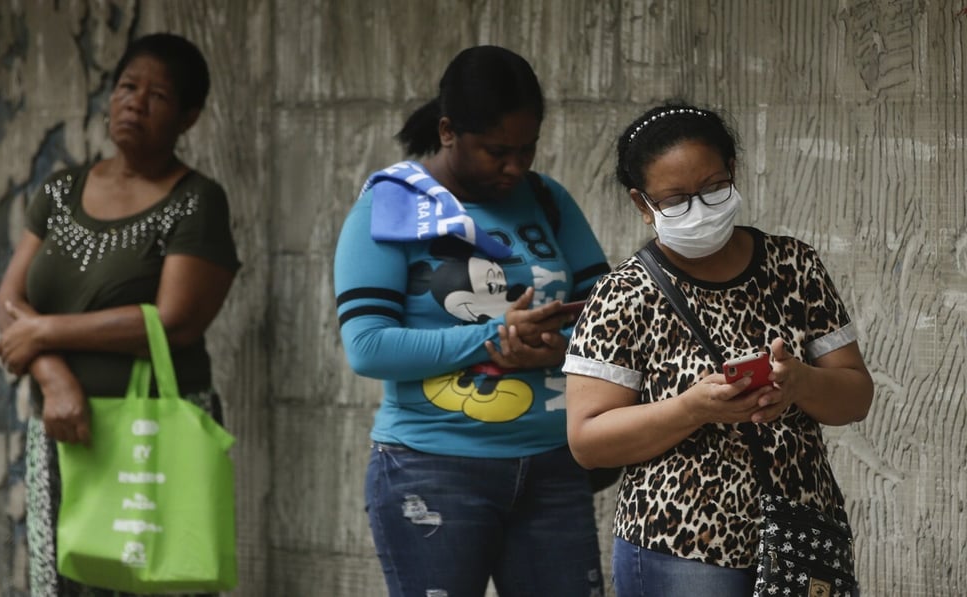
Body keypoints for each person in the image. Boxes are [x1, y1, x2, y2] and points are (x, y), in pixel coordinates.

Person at [560, 103, 874, 596]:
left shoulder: (794, 265)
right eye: (676, 199)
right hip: (682, 546)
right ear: (643, 206)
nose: (700, 209)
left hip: (799, 536)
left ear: (733, 171)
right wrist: (692, 409)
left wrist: (800, 383)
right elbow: (587, 441)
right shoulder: (622, 294)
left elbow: (856, 396)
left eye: (713, 188)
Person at [334, 45, 611, 597]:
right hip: (432, 471)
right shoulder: (392, 208)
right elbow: (367, 346)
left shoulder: (548, 200)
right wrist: (494, 336)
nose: (516, 166)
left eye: (527, 149)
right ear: (447, 131)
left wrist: (554, 347)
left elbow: (613, 323)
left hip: (554, 468)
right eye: (496, 151)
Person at [0, 33, 240, 596]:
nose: (135, 102)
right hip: (62, 431)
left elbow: (173, 322)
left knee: (159, 580)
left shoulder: (196, 200)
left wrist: (45, 331)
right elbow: (9, 304)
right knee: (61, 583)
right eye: (127, 87)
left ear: (189, 116)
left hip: (156, 430)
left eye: (157, 95)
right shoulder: (60, 190)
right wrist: (54, 379)